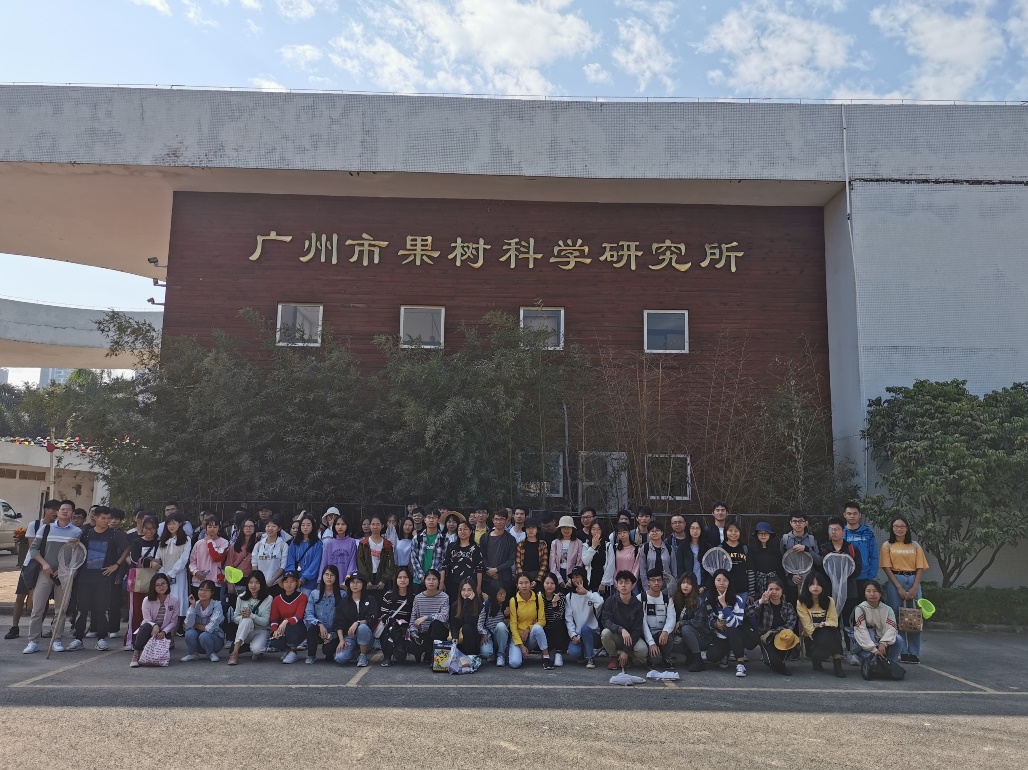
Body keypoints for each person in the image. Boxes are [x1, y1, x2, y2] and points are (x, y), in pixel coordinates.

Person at [23, 501, 82, 654]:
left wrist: (65, 569)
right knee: (37, 609)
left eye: (68, 509)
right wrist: (44, 564)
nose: (65, 511)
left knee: (60, 610)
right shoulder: (46, 528)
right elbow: (33, 549)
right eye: (62, 509)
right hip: (45, 573)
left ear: (72, 513)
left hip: (64, 575)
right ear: (58, 512)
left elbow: (77, 556)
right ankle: (33, 641)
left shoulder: (77, 532)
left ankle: (56, 640)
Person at [70, 506, 130, 652]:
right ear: (95, 518)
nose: (106, 521)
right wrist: (74, 545)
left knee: (101, 609)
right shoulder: (86, 533)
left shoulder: (114, 534)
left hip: (104, 578)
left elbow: (127, 547)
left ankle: (101, 639)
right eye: (103, 518)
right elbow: (78, 550)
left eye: (108, 518)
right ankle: (78, 639)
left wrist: (116, 565)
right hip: (85, 577)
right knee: (82, 610)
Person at [7, 501, 59, 641]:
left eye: (58, 510)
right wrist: (42, 562)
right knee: (20, 596)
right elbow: (32, 547)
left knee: (43, 599)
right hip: (31, 565)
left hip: (47, 567)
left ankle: (37, 627)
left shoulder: (58, 527)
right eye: (53, 509)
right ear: (45, 510)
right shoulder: (35, 525)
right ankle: (14, 627)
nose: (56, 513)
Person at [880, 516, 928, 665]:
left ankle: (914, 652)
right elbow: (886, 567)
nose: (899, 529)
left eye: (902, 526)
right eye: (896, 526)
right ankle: (902, 651)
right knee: (896, 615)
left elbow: (920, 567)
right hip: (896, 580)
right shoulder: (887, 545)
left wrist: (915, 587)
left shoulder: (915, 545)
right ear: (892, 528)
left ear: (907, 528)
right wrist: (899, 587)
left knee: (914, 616)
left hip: (913, 579)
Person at [820, 516, 862, 659]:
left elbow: (857, 569)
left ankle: (851, 652)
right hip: (829, 591)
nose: (834, 532)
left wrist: (843, 572)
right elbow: (820, 569)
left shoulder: (852, 549)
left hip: (849, 591)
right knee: (832, 621)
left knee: (850, 622)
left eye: (837, 529)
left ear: (843, 531)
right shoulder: (824, 549)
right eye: (831, 529)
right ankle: (834, 651)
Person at [797, 571, 846, 678]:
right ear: (807, 586)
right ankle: (826, 661)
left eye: (819, 584)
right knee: (829, 633)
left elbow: (834, 621)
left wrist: (824, 625)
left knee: (832, 631)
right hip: (811, 638)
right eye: (812, 584)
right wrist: (820, 632)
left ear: (823, 586)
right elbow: (807, 626)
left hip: (828, 632)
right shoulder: (801, 602)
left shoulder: (829, 601)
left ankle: (837, 664)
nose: (815, 587)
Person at [746, 577, 798, 676]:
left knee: (790, 637)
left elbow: (790, 625)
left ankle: (781, 663)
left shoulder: (788, 606)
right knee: (770, 661)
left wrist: (772, 631)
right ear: (766, 590)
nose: (774, 592)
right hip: (766, 638)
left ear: (782, 590)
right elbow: (748, 613)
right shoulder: (763, 604)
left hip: (782, 637)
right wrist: (761, 601)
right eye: (771, 589)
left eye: (777, 589)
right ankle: (775, 662)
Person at [853, 581, 906, 674]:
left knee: (899, 639)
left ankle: (888, 664)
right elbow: (861, 631)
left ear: (880, 593)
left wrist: (883, 643)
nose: (872, 594)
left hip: (882, 642)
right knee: (871, 659)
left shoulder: (887, 609)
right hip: (865, 644)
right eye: (868, 591)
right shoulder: (860, 608)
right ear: (864, 594)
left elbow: (892, 628)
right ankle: (871, 661)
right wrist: (874, 650)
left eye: (875, 591)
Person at [129, 573, 181, 668]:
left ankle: (156, 653)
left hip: (164, 631)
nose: (161, 587)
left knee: (158, 657)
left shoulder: (175, 600)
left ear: (168, 584)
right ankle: (136, 655)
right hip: (149, 629)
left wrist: (164, 632)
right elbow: (147, 619)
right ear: (153, 587)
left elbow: (174, 621)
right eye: (157, 585)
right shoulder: (147, 600)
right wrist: (154, 625)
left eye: (163, 583)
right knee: (145, 627)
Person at [705, 568, 748, 678]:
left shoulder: (737, 599)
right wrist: (715, 624)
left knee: (732, 630)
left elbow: (735, 624)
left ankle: (740, 663)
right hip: (720, 634)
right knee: (712, 656)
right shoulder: (709, 599)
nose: (721, 583)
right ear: (714, 582)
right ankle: (725, 652)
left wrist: (724, 605)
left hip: (736, 633)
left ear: (729, 582)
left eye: (725, 580)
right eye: (718, 580)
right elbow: (708, 619)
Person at [600, 570, 647, 670]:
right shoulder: (610, 601)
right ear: (616, 585)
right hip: (616, 635)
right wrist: (621, 629)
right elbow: (606, 621)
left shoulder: (638, 605)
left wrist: (626, 651)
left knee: (642, 651)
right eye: (620, 582)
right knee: (605, 633)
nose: (623, 585)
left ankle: (628, 656)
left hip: (631, 638)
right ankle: (614, 658)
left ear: (633, 585)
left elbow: (637, 630)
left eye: (627, 582)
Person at [126, 515, 161, 650]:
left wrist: (157, 563)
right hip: (139, 581)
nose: (149, 531)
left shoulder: (160, 542)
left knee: (154, 612)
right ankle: (132, 640)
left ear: (157, 529)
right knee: (136, 611)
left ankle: (152, 642)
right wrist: (150, 562)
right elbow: (134, 559)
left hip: (156, 581)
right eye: (146, 528)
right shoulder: (136, 542)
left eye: (152, 528)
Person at [227, 570, 273, 665]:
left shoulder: (268, 598)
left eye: (257, 582)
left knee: (257, 649)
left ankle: (255, 648)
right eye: (251, 582)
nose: (253, 585)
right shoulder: (241, 597)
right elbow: (235, 619)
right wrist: (244, 617)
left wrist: (251, 615)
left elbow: (265, 622)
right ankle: (235, 653)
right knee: (246, 620)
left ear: (262, 584)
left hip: (261, 630)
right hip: (246, 631)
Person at [508, 572, 553, 669]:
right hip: (518, 638)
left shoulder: (538, 598)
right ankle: (518, 652)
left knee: (538, 628)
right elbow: (513, 625)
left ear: (531, 584)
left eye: (526, 583)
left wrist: (528, 629)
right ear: (517, 585)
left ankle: (546, 657)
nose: (524, 586)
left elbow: (542, 620)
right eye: (521, 583)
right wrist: (521, 646)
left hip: (531, 637)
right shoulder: (513, 601)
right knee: (514, 663)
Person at [332, 573, 378, 667]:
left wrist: (357, 623)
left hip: (367, 635)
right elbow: (338, 622)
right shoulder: (344, 602)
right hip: (350, 637)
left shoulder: (370, 599)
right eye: (352, 582)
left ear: (363, 584)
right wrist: (341, 640)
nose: (355, 585)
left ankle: (363, 655)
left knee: (362, 627)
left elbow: (372, 618)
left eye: (358, 582)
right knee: (340, 658)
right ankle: (354, 653)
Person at [157, 514, 192, 636]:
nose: (171, 526)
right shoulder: (162, 540)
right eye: (169, 524)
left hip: (178, 576)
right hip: (163, 575)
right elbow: (158, 558)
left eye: (174, 523)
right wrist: (163, 573)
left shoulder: (186, 540)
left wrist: (171, 573)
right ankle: (163, 634)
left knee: (177, 605)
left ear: (179, 524)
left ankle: (171, 637)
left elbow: (183, 559)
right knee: (164, 604)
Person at [564, 566, 603, 668]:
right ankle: (583, 652)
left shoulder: (592, 594)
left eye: (577, 576)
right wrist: (573, 635)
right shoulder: (569, 596)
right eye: (573, 577)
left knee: (585, 629)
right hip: (577, 635)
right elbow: (568, 619)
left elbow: (600, 602)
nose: (575, 580)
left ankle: (590, 658)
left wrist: (586, 592)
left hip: (593, 634)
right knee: (574, 653)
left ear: (584, 578)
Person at [780, 511, 823, 602]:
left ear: (806, 523)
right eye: (795, 521)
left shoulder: (812, 540)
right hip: (791, 584)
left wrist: (807, 549)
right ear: (790, 523)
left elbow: (819, 561)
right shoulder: (785, 540)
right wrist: (791, 575)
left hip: (809, 583)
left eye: (800, 521)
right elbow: (781, 561)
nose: (797, 524)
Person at [303, 566, 343, 664]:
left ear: (336, 577)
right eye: (326, 574)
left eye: (332, 575)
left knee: (328, 651)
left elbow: (343, 618)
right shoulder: (314, 594)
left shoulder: (342, 595)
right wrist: (319, 624)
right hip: (318, 629)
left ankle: (330, 653)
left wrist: (331, 636)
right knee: (312, 629)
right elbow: (308, 614)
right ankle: (311, 655)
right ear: (322, 576)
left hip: (334, 632)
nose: (329, 577)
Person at [410, 569, 450, 664]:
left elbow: (444, 617)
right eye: (428, 579)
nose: (431, 582)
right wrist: (414, 632)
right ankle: (426, 652)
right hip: (423, 633)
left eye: (434, 579)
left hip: (439, 632)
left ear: (439, 581)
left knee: (436, 624)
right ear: (424, 581)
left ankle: (436, 657)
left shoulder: (444, 597)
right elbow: (413, 619)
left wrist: (426, 617)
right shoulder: (418, 598)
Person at [268, 571, 309, 664]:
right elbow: (273, 619)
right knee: (274, 641)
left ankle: (293, 651)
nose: (289, 584)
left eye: (292, 581)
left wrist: (286, 621)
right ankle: (286, 650)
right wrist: (275, 631)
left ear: (296, 583)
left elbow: (299, 616)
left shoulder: (302, 597)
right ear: (282, 584)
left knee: (291, 626)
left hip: (298, 628)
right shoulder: (277, 599)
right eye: (286, 582)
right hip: (283, 628)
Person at [672, 573, 710, 672]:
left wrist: (681, 623)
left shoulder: (698, 600)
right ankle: (690, 655)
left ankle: (698, 660)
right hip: (683, 635)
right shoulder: (677, 598)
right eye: (683, 582)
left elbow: (698, 623)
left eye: (689, 583)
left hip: (701, 637)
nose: (685, 586)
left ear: (694, 586)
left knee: (686, 629)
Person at [180, 579, 225, 663]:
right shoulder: (196, 604)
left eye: (207, 590)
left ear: (212, 593)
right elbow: (188, 625)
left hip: (214, 640)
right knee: (189, 633)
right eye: (201, 589)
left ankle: (211, 653)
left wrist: (196, 625)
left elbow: (210, 628)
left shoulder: (217, 606)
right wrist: (192, 606)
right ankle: (193, 654)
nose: (203, 592)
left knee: (204, 635)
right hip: (198, 640)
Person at [379, 566, 415, 666]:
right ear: (395, 580)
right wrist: (394, 622)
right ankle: (387, 656)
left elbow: (414, 616)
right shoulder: (388, 595)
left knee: (400, 658)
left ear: (409, 579)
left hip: (406, 629)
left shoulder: (413, 597)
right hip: (391, 626)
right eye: (400, 577)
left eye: (405, 577)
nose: (402, 580)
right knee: (388, 628)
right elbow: (383, 614)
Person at [641, 567, 677, 669]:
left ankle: (666, 658)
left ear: (662, 582)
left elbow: (671, 618)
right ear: (648, 582)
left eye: (659, 580)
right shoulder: (641, 598)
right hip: (646, 635)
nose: (656, 583)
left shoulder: (667, 599)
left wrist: (665, 631)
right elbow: (642, 622)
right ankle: (653, 654)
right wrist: (651, 643)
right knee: (655, 660)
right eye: (653, 580)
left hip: (661, 635)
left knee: (668, 634)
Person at [843, 502, 878, 600]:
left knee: (863, 606)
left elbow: (874, 555)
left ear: (860, 515)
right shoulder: (840, 532)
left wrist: (871, 576)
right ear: (844, 515)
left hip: (864, 576)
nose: (852, 516)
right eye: (849, 513)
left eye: (855, 513)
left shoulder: (867, 532)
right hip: (845, 577)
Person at [356, 515, 396, 602]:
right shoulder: (363, 544)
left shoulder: (387, 544)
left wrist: (383, 580)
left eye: (378, 524)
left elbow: (390, 564)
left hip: (382, 579)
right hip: (367, 579)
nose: (375, 527)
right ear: (370, 526)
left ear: (382, 526)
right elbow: (360, 563)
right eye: (373, 524)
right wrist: (366, 580)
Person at [441, 520, 484, 597]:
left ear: (470, 531)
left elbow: (479, 569)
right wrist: (441, 582)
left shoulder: (476, 548)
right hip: (452, 583)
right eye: (460, 529)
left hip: (470, 585)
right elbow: (444, 565)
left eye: (465, 529)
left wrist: (479, 586)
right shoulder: (452, 546)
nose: (462, 532)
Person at [480, 508, 517, 597]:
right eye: (496, 519)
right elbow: (482, 556)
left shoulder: (511, 539)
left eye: (501, 519)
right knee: (488, 602)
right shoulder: (485, 537)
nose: (498, 522)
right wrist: (489, 570)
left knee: (504, 602)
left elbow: (511, 560)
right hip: (487, 578)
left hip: (504, 578)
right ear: (493, 520)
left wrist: (496, 570)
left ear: (506, 520)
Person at [188, 517, 229, 598]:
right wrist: (196, 572)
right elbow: (192, 562)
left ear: (219, 528)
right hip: (198, 582)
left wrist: (210, 541)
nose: (212, 529)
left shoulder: (224, 542)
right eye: (209, 527)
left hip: (215, 582)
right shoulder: (198, 543)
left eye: (215, 527)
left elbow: (216, 557)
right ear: (206, 528)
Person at [286, 513, 323, 595]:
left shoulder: (317, 544)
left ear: (312, 527)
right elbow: (290, 560)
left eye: (308, 525)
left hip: (310, 583)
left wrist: (304, 577)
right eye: (303, 525)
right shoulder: (294, 543)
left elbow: (316, 563)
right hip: (294, 581)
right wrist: (292, 576)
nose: (305, 527)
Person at [411, 509, 447, 592]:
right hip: (419, 580)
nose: (431, 520)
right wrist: (422, 576)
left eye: (434, 518)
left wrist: (432, 577)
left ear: (438, 520)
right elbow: (414, 559)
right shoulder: (417, 538)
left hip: (436, 581)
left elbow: (444, 561)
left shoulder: (444, 539)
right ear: (425, 519)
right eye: (429, 517)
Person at [252, 515, 289, 595]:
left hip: (276, 584)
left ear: (279, 528)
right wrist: (258, 580)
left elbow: (283, 566)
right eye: (268, 526)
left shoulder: (283, 545)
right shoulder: (258, 545)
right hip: (260, 584)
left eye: (273, 526)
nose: (270, 528)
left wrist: (272, 580)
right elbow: (254, 564)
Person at [224, 518, 256, 606]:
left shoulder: (258, 545)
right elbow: (229, 566)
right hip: (236, 580)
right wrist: (230, 585)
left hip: (251, 580)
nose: (248, 528)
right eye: (246, 526)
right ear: (241, 528)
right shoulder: (234, 546)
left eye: (251, 526)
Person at [319, 515, 358, 585]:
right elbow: (324, 563)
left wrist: (347, 580)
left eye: (343, 524)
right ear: (334, 526)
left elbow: (352, 564)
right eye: (338, 524)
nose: (340, 527)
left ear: (347, 526)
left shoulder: (352, 542)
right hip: (331, 581)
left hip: (346, 582)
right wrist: (320, 580)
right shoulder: (329, 544)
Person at [548, 516, 584, 592]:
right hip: (558, 573)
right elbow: (552, 563)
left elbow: (579, 563)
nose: (566, 530)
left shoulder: (579, 543)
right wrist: (559, 579)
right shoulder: (555, 543)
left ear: (572, 529)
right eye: (563, 527)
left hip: (573, 574)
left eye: (569, 528)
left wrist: (572, 579)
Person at [540, 573, 569, 666]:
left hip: (557, 629)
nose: (549, 586)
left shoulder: (561, 597)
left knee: (557, 624)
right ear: (543, 584)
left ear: (556, 584)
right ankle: (547, 652)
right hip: (544, 627)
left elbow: (558, 617)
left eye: (552, 583)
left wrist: (554, 604)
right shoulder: (539, 597)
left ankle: (558, 653)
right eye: (547, 583)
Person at [478, 584, 511, 665]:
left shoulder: (508, 604)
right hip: (489, 634)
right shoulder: (487, 605)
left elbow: (509, 626)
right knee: (485, 652)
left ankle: (501, 654)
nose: (503, 595)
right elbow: (480, 623)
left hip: (501, 635)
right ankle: (493, 652)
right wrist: (484, 634)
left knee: (501, 626)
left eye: (504, 593)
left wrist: (507, 616)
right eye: (500, 594)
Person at [749, 522, 783, 598]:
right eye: (760, 533)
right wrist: (751, 592)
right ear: (757, 535)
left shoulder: (776, 550)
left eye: (766, 533)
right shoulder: (752, 550)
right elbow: (750, 570)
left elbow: (780, 570)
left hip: (774, 583)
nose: (763, 535)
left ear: (770, 535)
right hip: (758, 584)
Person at [602, 523, 641, 591]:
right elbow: (612, 566)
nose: (622, 535)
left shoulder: (636, 549)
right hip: (617, 584)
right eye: (619, 533)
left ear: (629, 532)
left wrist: (631, 582)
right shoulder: (614, 549)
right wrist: (617, 582)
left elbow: (636, 568)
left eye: (624, 532)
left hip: (632, 584)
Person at [450, 579, 483, 656]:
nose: (466, 593)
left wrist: (467, 602)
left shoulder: (478, 604)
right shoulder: (455, 605)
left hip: (473, 637)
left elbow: (469, 621)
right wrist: (455, 636)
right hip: (460, 637)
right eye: (463, 590)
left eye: (469, 590)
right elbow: (453, 624)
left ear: (474, 591)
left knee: (467, 627)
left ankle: (470, 657)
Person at [639, 521, 675, 590]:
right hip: (651, 585)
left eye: (657, 530)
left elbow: (674, 570)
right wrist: (646, 588)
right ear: (649, 533)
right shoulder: (645, 548)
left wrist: (673, 586)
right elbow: (642, 570)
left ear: (662, 532)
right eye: (652, 531)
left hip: (667, 585)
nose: (655, 533)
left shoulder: (669, 548)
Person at [515, 518, 548, 591]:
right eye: (528, 528)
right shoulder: (520, 544)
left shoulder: (542, 544)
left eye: (533, 528)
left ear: (537, 529)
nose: (530, 530)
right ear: (525, 530)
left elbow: (544, 563)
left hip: (538, 575)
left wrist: (537, 580)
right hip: (524, 574)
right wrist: (522, 578)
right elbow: (518, 563)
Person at [721, 521, 749, 598]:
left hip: (742, 589)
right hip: (725, 589)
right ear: (725, 532)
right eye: (730, 530)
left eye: (736, 531)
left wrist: (751, 592)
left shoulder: (745, 548)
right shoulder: (720, 548)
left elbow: (750, 569)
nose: (733, 533)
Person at [581, 519, 608, 594]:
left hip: (603, 581)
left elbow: (610, 565)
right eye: (593, 529)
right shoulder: (586, 545)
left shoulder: (607, 545)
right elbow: (585, 561)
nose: (596, 532)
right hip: (590, 580)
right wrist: (593, 547)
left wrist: (603, 583)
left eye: (599, 529)